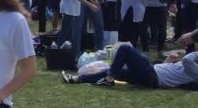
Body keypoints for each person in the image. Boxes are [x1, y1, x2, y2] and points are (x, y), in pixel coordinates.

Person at [62, 44, 198, 88]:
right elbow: (171, 74)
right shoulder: (193, 68)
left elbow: (187, 60)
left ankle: (109, 78)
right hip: (151, 77)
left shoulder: (194, 68)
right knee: (115, 70)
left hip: (151, 76)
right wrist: (168, 61)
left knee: (125, 49)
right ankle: (76, 79)